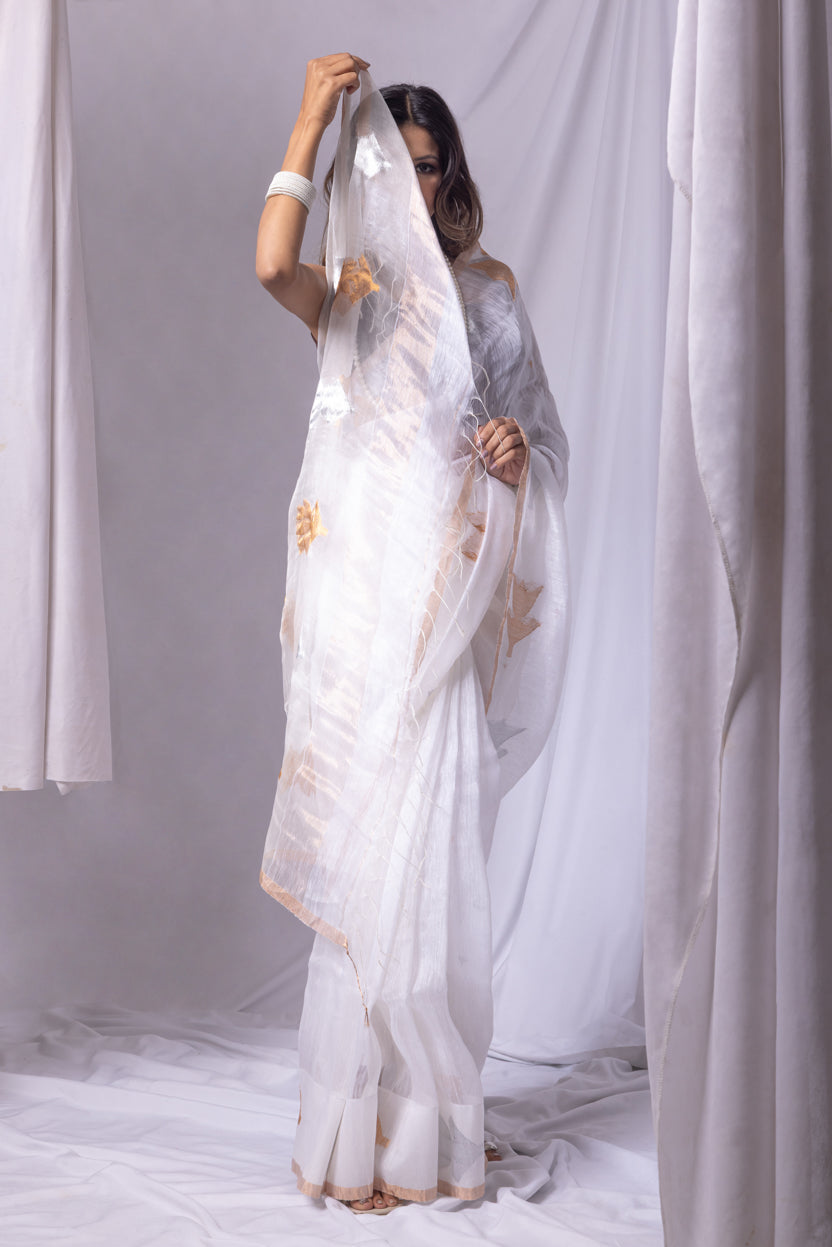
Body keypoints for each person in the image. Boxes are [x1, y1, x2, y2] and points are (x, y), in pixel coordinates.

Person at [255, 54, 569, 1214]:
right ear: (367, 181)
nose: (419, 190)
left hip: (443, 610)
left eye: (433, 171)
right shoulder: (351, 291)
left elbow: (540, 438)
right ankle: (348, 1140)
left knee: (428, 866)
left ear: (452, 178)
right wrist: (305, 124)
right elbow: (267, 263)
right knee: (360, 859)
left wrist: (512, 458)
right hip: (358, 613)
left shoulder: (488, 292)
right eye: (397, 170)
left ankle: (421, 1145)